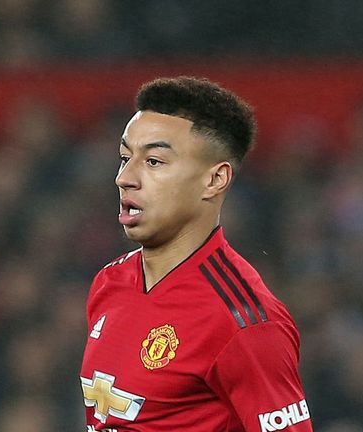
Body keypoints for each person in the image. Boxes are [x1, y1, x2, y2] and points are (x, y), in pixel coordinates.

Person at [80, 77, 312, 432]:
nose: (125, 177)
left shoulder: (244, 322)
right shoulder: (109, 282)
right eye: (126, 157)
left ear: (215, 180)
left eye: (154, 161)